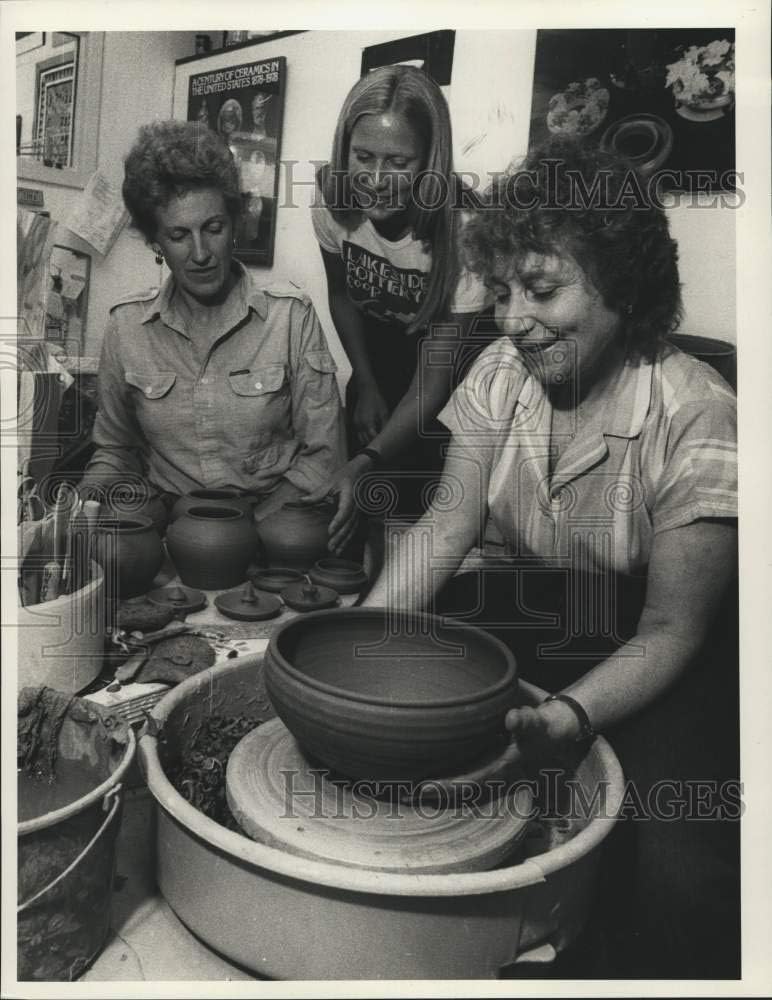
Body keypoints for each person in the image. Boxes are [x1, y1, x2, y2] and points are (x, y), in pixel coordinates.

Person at [363, 138, 739, 977]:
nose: (511, 320)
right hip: (535, 604)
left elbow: (674, 629)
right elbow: (442, 530)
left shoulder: (700, 416)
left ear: (624, 287)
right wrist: (352, 641)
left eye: (542, 290)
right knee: (402, 715)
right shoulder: (501, 371)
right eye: (502, 292)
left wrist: (568, 717)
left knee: (674, 875)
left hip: (662, 641)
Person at [81, 119, 345, 523]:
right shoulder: (126, 327)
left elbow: (324, 457)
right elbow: (116, 449)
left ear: (235, 224)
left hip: (274, 524)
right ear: (156, 243)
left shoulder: (290, 317)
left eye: (213, 228)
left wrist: (241, 534)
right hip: (170, 528)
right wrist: (85, 501)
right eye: (179, 235)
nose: (201, 252)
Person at [305, 65, 490, 551]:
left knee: (426, 531)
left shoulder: (466, 229)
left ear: (429, 160)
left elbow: (435, 377)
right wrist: (364, 380)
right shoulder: (331, 195)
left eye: (399, 163)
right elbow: (343, 292)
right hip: (380, 353)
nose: (376, 181)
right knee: (362, 515)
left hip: (454, 380)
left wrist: (367, 457)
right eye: (363, 157)